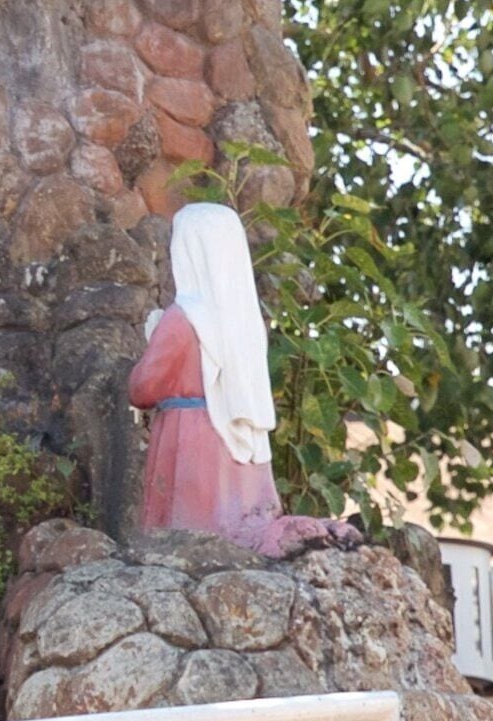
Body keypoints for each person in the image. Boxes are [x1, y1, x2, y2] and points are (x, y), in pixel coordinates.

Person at [125, 202, 352, 555]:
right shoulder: (245, 323)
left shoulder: (182, 318)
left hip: (187, 441)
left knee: (186, 545)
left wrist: (152, 337)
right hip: (240, 452)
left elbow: (142, 390)